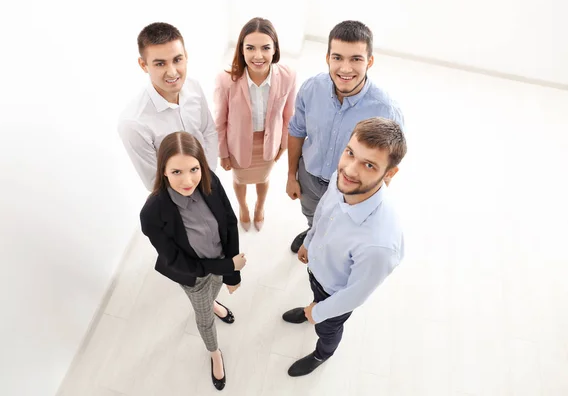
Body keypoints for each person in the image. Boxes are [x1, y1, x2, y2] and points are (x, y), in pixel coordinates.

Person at [282, 118, 407, 377]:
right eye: (350, 152)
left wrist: (319, 312)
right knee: (316, 301)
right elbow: (322, 215)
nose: (350, 169)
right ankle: (312, 308)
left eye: (369, 165)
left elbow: (354, 295)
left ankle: (322, 353)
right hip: (318, 273)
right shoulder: (343, 180)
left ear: (389, 174)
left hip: (334, 294)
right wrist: (309, 242)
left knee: (328, 329)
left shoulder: (380, 246)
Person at [139, 132, 246, 390]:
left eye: (194, 169)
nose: (188, 180)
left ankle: (213, 302)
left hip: (220, 262)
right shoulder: (152, 213)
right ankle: (214, 352)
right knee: (203, 317)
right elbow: (178, 261)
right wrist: (228, 267)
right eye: (176, 172)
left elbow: (230, 224)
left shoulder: (210, 181)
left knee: (214, 291)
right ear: (163, 170)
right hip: (193, 277)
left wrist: (231, 274)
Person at [286, 20, 404, 252]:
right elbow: (297, 132)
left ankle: (326, 245)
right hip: (309, 178)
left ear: (369, 61)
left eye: (356, 59)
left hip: (350, 188)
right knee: (313, 215)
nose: (345, 68)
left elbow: (388, 165)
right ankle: (313, 230)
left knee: (339, 230)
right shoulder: (311, 89)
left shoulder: (386, 110)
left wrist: (368, 202)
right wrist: (292, 175)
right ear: (327, 57)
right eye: (338, 57)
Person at [214, 17, 296, 231]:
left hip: (269, 143)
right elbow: (220, 121)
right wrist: (222, 153)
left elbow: (289, 115)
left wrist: (284, 145)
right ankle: (242, 207)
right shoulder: (226, 80)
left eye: (265, 48)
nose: (258, 56)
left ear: (275, 49)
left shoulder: (288, 76)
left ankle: (260, 206)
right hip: (238, 146)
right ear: (241, 49)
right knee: (240, 180)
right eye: (250, 48)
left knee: (263, 177)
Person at [119, 22, 218, 191]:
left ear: (186, 56)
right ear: (144, 65)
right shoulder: (133, 123)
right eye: (160, 64)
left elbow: (208, 131)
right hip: (174, 200)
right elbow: (154, 182)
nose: (172, 72)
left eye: (177, 60)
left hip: (209, 182)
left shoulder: (194, 87)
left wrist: (206, 177)